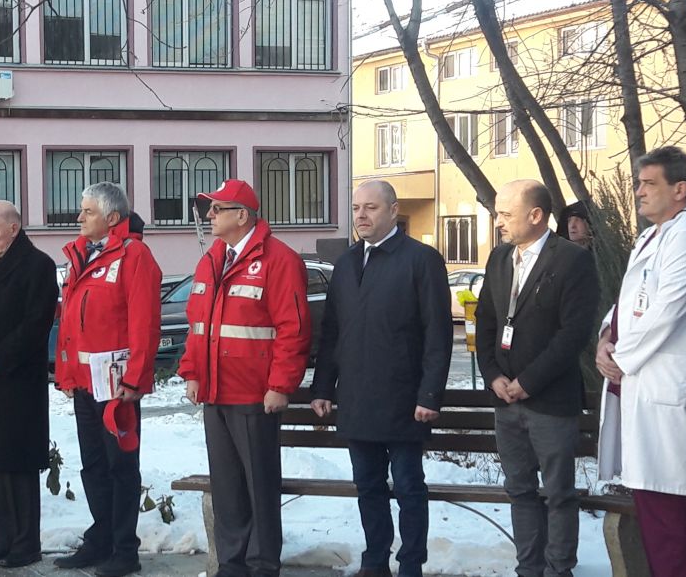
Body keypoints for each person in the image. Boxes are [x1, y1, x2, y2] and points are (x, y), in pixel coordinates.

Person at [309, 180, 452, 577]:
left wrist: (430, 394)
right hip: (356, 398)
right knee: (368, 487)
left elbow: (437, 334)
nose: (361, 216)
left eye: (370, 208)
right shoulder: (346, 263)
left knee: (408, 488)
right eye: (356, 208)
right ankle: (375, 562)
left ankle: (410, 566)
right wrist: (323, 388)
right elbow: (333, 332)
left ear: (393, 210)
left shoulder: (420, 260)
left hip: (405, 401)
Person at [177, 179, 310, 577]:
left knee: (259, 486)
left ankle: (262, 564)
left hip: (255, 394)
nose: (210, 215)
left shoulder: (278, 259)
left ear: (242, 215)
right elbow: (197, 324)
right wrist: (192, 372)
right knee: (228, 487)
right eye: (209, 208)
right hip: (216, 391)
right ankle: (231, 564)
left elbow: (294, 328)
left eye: (218, 208)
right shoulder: (213, 258)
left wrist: (280, 385)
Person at [595, 146, 686, 577]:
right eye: (638, 183)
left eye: (648, 184)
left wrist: (619, 359)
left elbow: (667, 311)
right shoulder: (653, 234)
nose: (638, 192)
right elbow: (628, 300)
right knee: (649, 499)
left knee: (672, 505)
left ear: (679, 189)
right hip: (639, 381)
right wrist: (605, 338)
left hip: (665, 385)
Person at [475, 180, 600, 577]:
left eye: (506, 215)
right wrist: (493, 375)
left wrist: (528, 381)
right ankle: (528, 568)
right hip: (505, 401)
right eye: (498, 214)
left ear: (536, 215)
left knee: (559, 494)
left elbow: (573, 334)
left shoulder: (571, 261)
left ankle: (558, 568)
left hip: (549, 401)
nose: (499, 222)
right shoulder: (499, 258)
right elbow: (487, 321)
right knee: (520, 491)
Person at [54, 182, 161, 577]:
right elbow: (70, 325)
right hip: (85, 382)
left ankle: (124, 548)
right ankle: (100, 537)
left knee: (121, 466)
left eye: (87, 212)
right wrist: (67, 374)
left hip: (117, 386)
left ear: (112, 218)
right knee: (92, 465)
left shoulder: (135, 256)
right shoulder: (81, 255)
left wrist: (133, 380)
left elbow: (144, 324)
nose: (78, 217)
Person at [0, 201, 58, 568]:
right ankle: (0, 537)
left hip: (17, 383)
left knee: (16, 465)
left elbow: (35, 326)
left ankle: (24, 543)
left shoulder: (38, 266)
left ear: (14, 228)